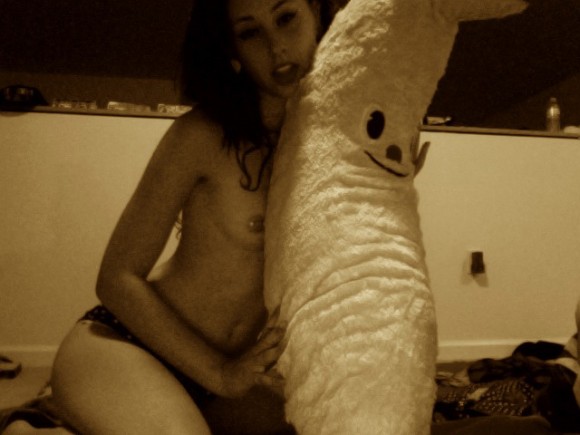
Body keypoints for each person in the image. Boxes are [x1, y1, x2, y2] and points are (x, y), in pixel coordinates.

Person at [49, 0, 343, 434]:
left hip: (228, 374)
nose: (276, 46)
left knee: (339, 424)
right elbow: (116, 278)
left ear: (316, 14)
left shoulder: (338, 145)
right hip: (129, 345)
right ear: (232, 50)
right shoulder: (201, 136)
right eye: (250, 32)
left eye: (286, 19)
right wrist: (221, 374)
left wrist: (393, 179)